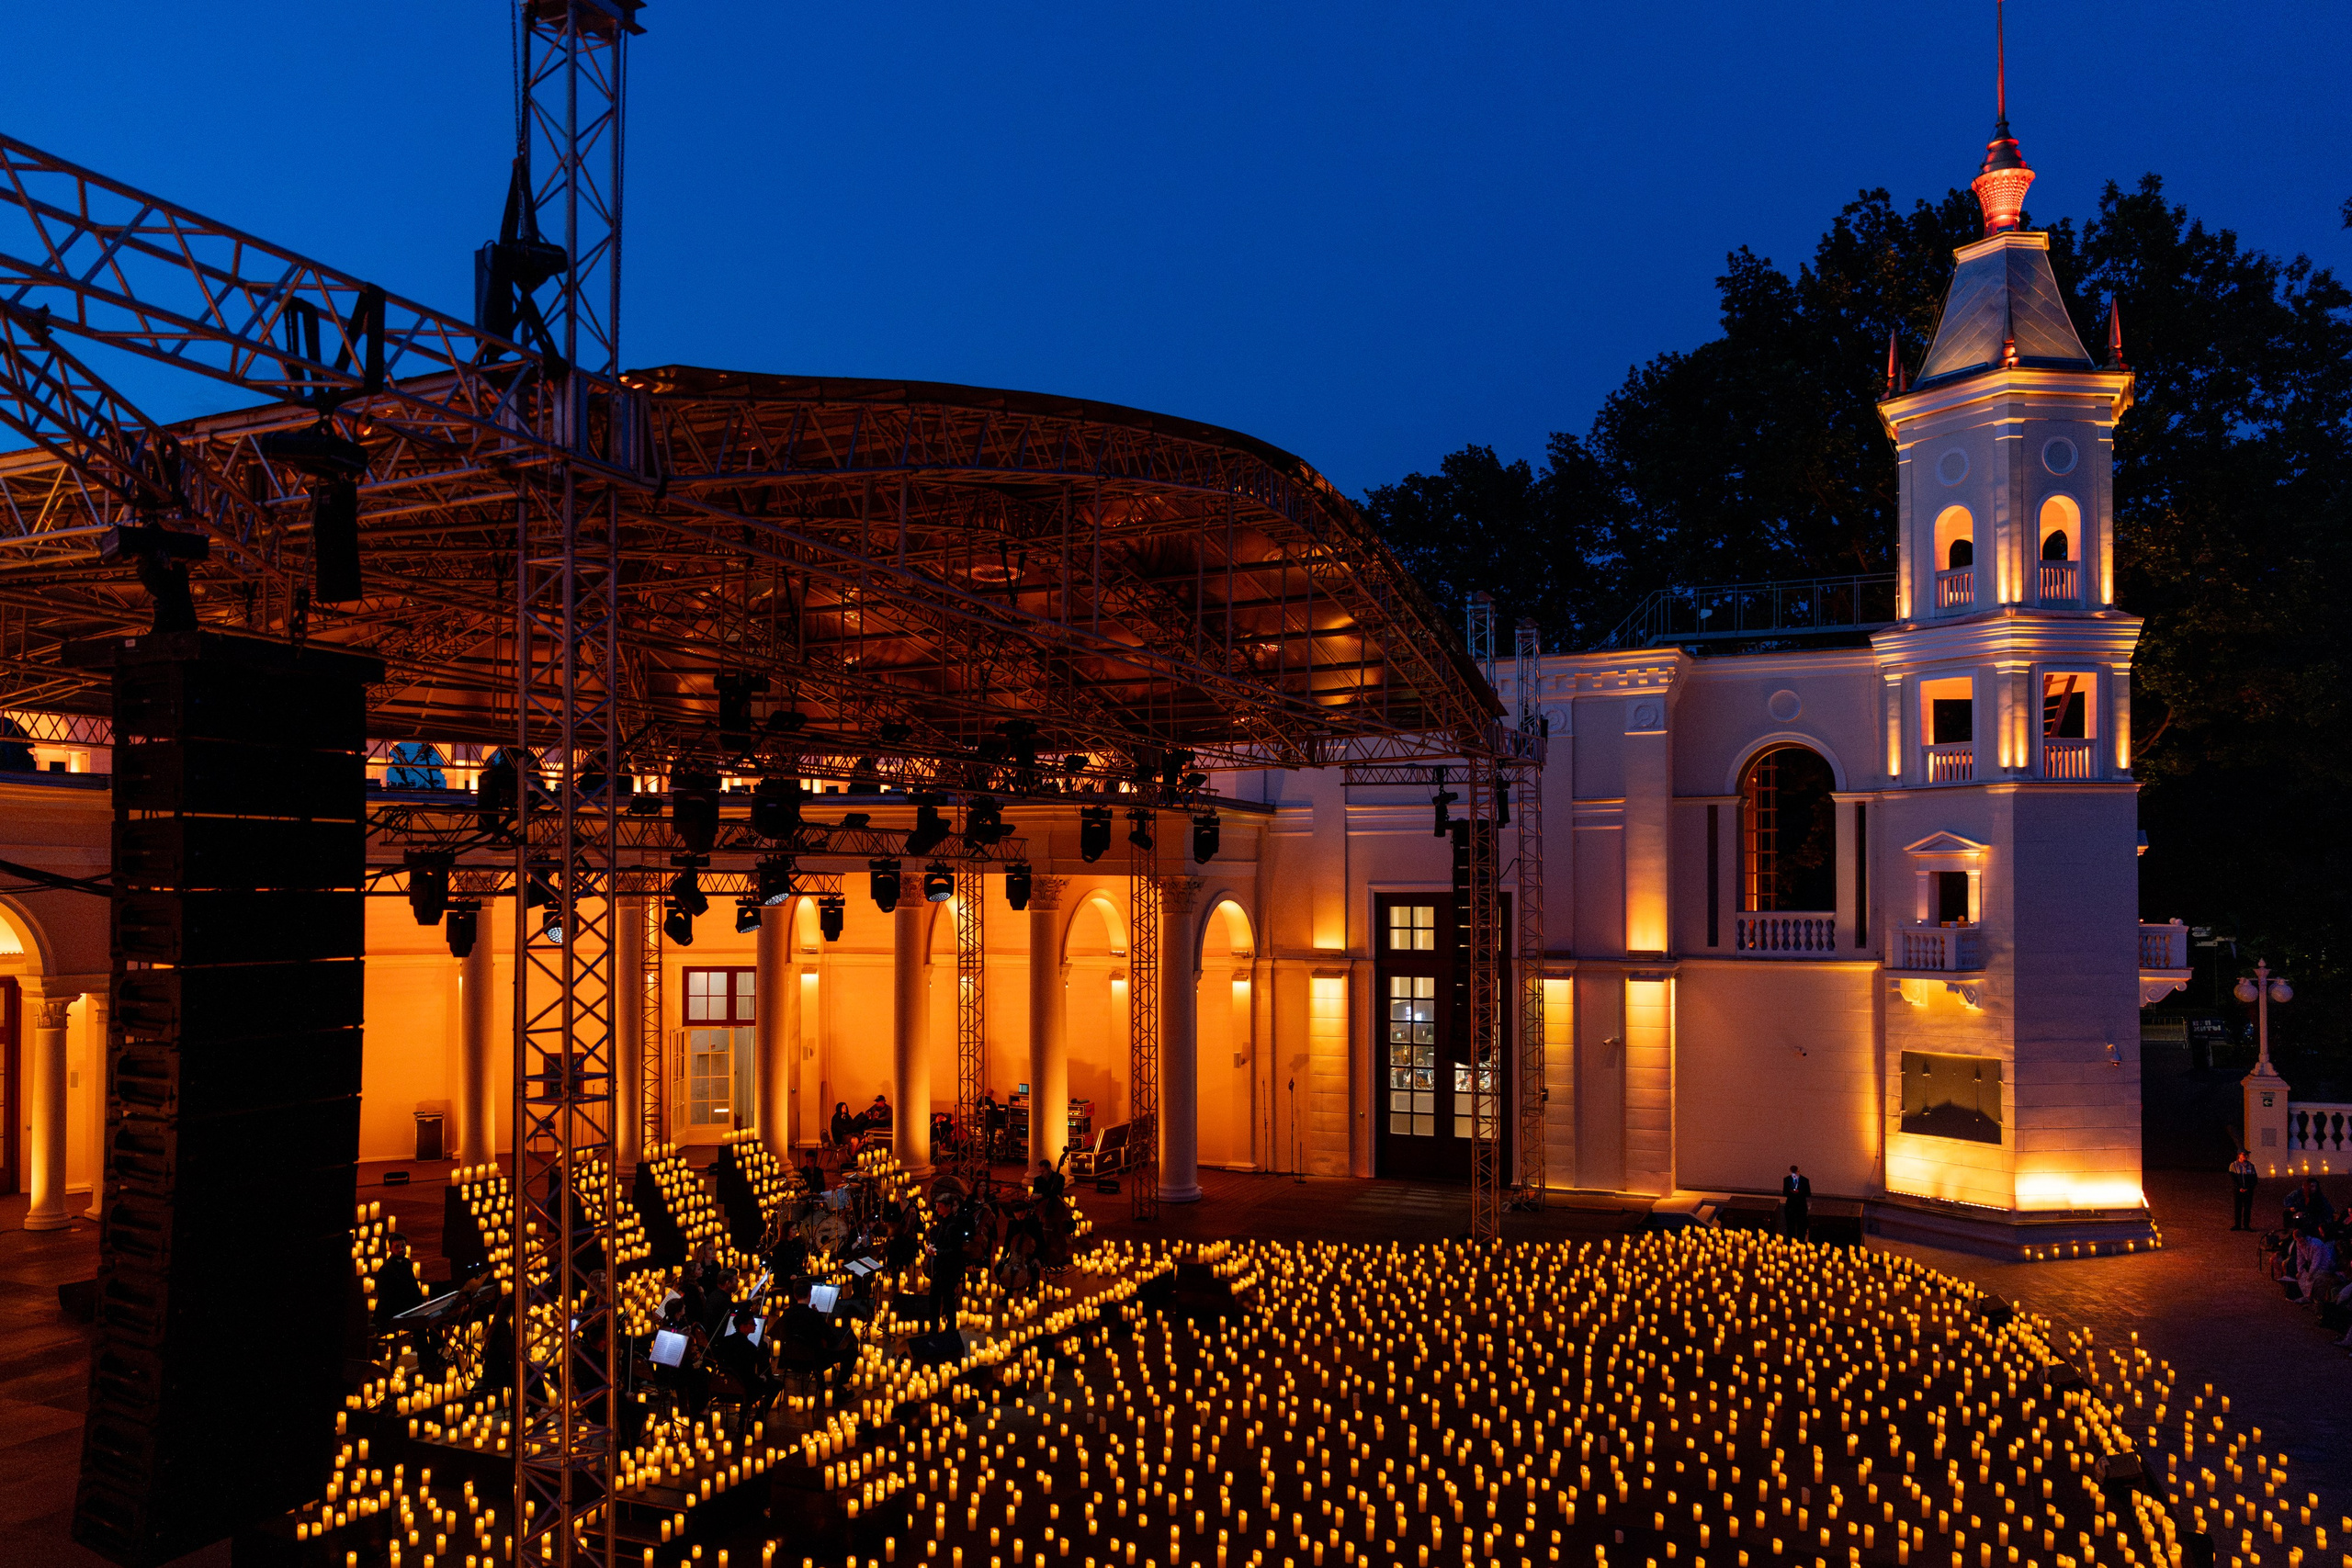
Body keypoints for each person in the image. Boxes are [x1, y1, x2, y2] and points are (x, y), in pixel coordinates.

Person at [706, 1306, 776, 1404]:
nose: (756, 1325)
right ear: (743, 1326)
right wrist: (762, 1378)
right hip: (743, 1390)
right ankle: (754, 1418)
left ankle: (744, 1419)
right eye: (752, 1323)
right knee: (775, 1386)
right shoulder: (750, 1347)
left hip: (722, 1388)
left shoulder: (723, 1342)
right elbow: (749, 1374)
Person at [2229, 1149, 2259, 1231]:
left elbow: (2254, 1179)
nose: (2246, 1156)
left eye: (2246, 1154)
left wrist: (2248, 1188)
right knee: (2238, 1207)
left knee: (2247, 1208)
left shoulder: (2251, 1166)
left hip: (2248, 1191)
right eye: (2244, 1154)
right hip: (2238, 1190)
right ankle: (2237, 1225)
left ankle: (2246, 1225)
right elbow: (2233, 1179)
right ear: (2239, 1155)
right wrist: (2239, 1187)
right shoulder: (2233, 1165)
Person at [1781, 1164, 1812, 1243]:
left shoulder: (1805, 1180)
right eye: (1792, 1174)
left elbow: (1808, 1193)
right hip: (1790, 1206)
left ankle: (1801, 1242)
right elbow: (1784, 1193)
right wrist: (1791, 1192)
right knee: (1790, 1226)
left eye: (1795, 1173)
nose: (1794, 1175)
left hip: (1801, 1206)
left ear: (1798, 1172)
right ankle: (1791, 1242)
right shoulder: (1787, 1180)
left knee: (1801, 1226)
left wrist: (1799, 1192)